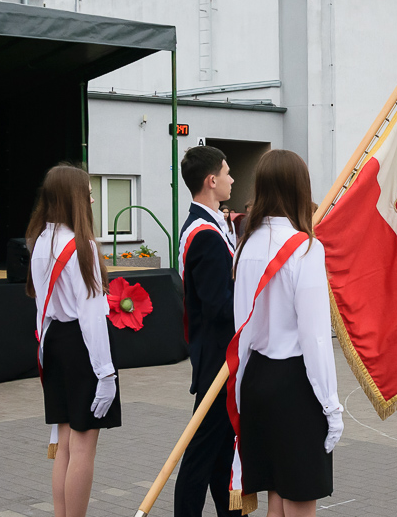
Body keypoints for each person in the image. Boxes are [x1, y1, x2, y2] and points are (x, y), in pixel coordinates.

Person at [228, 149, 342, 517]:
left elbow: (240, 329)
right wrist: (331, 404)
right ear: (299, 189)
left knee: (277, 492)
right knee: (299, 498)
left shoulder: (245, 245)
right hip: (295, 383)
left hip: (257, 378)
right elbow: (315, 338)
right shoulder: (306, 248)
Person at [26, 164, 120, 517]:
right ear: (72, 198)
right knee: (82, 448)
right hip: (83, 348)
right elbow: (92, 316)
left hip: (55, 343)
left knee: (64, 443)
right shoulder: (82, 247)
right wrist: (106, 373)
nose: (93, 198)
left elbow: (42, 309)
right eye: (88, 192)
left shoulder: (40, 242)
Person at [175, 146, 243, 517]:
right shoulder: (204, 234)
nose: (232, 179)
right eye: (227, 173)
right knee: (202, 450)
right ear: (211, 180)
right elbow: (220, 306)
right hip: (218, 359)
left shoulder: (213, 225)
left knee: (220, 451)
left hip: (219, 356)